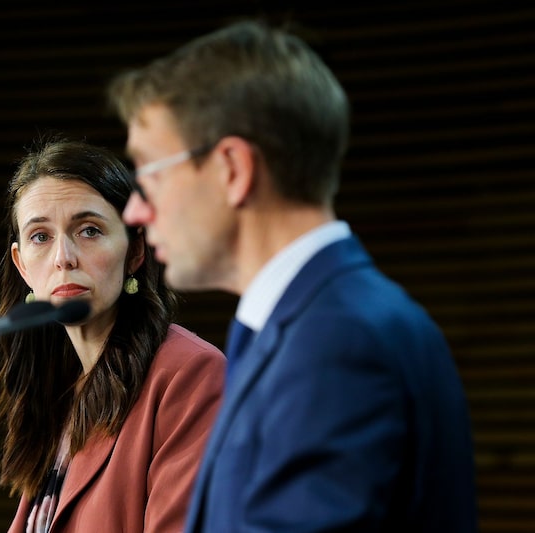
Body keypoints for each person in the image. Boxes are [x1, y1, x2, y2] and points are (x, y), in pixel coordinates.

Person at [107, 19, 477, 533]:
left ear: (232, 169)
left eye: (150, 174)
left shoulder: (337, 343)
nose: (136, 213)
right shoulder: (312, 324)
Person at [0, 137, 226, 533]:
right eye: (40, 237)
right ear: (22, 266)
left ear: (134, 252)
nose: (63, 257)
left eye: (89, 230)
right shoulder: (58, 394)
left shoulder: (189, 375)